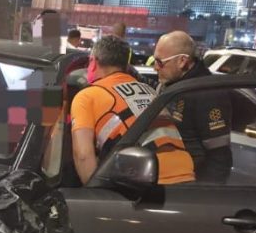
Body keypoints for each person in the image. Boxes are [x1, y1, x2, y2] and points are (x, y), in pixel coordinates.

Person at [69, 35, 195, 185]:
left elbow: (83, 155)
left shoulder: (87, 96)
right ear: (126, 66)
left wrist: (94, 197)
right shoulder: (149, 90)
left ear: (93, 62)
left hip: (144, 183)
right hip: (187, 175)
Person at [151, 31, 233, 184]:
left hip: (189, 185)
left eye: (159, 62)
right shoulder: (172, 85)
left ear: (182, 61)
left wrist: (201, 198)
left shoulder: (207, 93)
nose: (155, 68)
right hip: (168, 180)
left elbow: (219, 157)